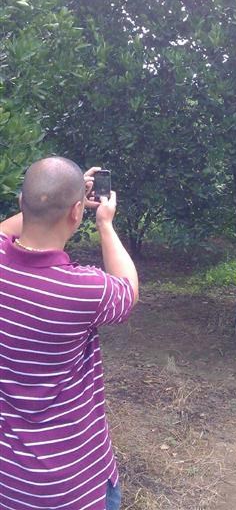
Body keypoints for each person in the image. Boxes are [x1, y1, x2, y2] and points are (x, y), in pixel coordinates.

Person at [0, 156, 139, 510]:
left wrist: (55, 195)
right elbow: (128, 290)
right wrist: (105, 224)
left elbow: (9, 228)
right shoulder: (83, 290)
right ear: (77, 213)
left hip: (9, 481)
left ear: (21, 203)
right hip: (72, 483)